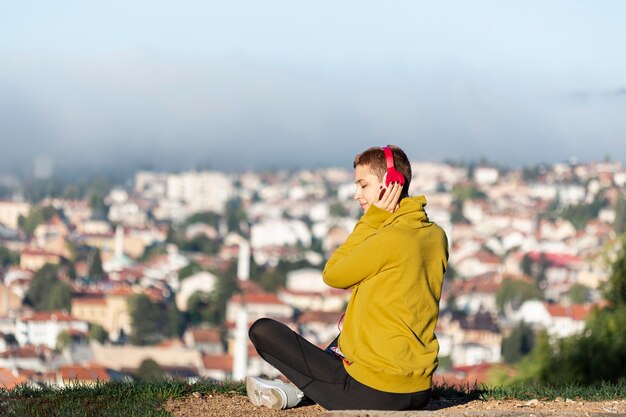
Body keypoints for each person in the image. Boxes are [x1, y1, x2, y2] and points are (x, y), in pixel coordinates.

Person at [246, 145, 449, 411]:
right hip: (418, 390)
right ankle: (296, 390)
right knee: (346, 335)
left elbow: (333, 274)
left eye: (363, 185)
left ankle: (295, 392)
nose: (356, 194)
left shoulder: (387, 238)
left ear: (391, 184)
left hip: (372, 394)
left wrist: (372, 220)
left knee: (262, 331)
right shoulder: (437, 235)